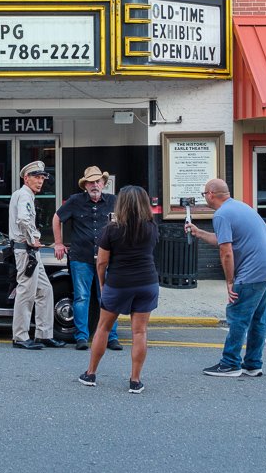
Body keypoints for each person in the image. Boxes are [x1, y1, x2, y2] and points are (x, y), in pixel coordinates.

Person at [188, 178, 266, 377]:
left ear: (211, 194)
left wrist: (230, 281)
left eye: (204, 194)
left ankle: (230, 363)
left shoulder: (222, 214)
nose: (204, 197)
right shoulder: (239, 207)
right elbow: (223, 239)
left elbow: (226, 252)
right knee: (258, 318)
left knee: (238, 317)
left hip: (253, 271)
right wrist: (199, 233)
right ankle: (253, 364)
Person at [78, 185, 159, 393]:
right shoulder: (151, 227)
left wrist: (103, 284)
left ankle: (91, 373)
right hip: (147, 282)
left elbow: (102, 263)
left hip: (118, 282)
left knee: (103, 327)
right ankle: (135, 380)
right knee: (139, 331)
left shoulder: (111, 229)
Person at [53, 166, 123, 351]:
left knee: (108, 298)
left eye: (97, 181)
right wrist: (58, 243)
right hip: (81, 257)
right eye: (91, 182)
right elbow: (57, 217)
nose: (94, 185)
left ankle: (111, 337)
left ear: (103, 183)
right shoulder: (75, 201)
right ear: (85, 185)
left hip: (107, 258)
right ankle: (81, 337)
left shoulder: (114, 201)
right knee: (82, 297)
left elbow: (124, 224)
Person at [9, 160, 65, 350]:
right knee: (26, 292)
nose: (40, 181)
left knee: (45, 290)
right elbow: (23, 219)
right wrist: (33, 238)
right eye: (36, 177)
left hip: (30, 251)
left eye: (42, 178)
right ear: (26, 178)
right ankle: (20, 336)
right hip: (26, 250)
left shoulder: (27, 195)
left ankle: (44, 334)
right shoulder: (24, 195)